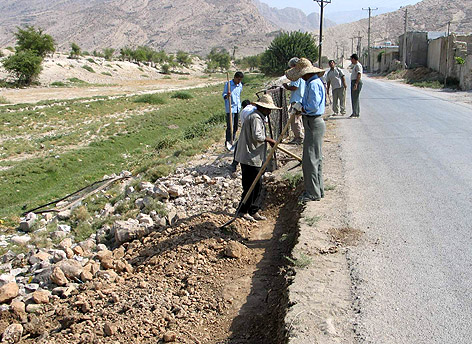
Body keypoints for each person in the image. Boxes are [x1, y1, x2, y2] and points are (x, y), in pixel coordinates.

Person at [285, 58, 326, 202]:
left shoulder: (313, 84)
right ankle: (318, 190)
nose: (300, 77)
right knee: (315, 158)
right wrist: (300, 105)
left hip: (313, 122)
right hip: (312, 122)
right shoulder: (312, 83)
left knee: (310, 160)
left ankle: (313, 193)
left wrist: (301, 108)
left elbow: (313, 106)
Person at [234, 94, 278, 221]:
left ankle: (253, 210)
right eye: (268, 109)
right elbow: (257, 136)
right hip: (249, 156)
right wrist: (269, 140)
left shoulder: (257, 117)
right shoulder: (255, 118)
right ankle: (243, 211)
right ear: (262, 108)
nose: (270, 112)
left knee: (257, 184)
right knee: (250, 185)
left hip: (253, 156)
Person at [283, 57, 305, 144]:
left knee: (295, 119)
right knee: (298, 118)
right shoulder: (302, 74)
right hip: (300, 98)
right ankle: (299, 135)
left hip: (296, 99)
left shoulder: (296, 76)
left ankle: (298, 137)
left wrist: (287, 87)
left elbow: (295, 87)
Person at [229, 99, 255, 172]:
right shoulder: (256, 109)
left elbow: (244, 125)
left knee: (239, 147)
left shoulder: (243, 111)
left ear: (243, 106)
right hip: (259, 131)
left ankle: (234, 164)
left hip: (248, 132)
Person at [222, 71, 244, 150]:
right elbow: (223, 96)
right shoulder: (228, 85)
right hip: (230, 108)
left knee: (235, 127)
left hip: (237, 108)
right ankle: (228, 142)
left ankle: (232, 140)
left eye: (240, 80)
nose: (239, 81)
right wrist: (227, 95)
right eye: (238, 79)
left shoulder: (240, 85)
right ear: (234, 77)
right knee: (229, 126)